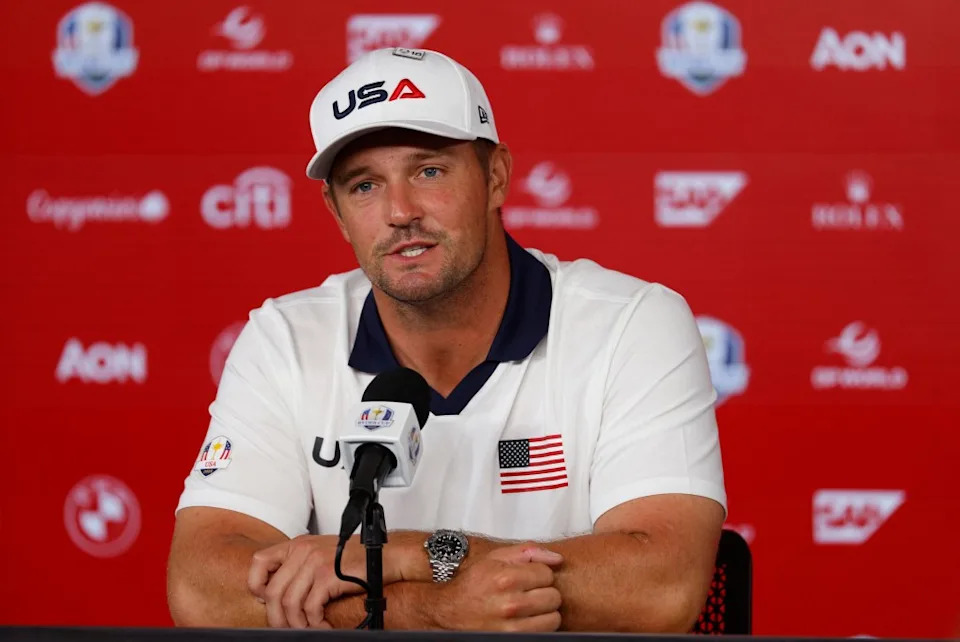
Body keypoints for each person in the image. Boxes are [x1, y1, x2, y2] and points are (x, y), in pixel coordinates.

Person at [167, 47, 726, 632]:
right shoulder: (284, 338)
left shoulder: (632, 322)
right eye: (364, 186)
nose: (400, 211)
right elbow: (203, 588)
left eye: (429, 171)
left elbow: (660, 585)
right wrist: (432, 605)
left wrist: (408, 554)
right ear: (335, 211)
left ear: (495, 177)